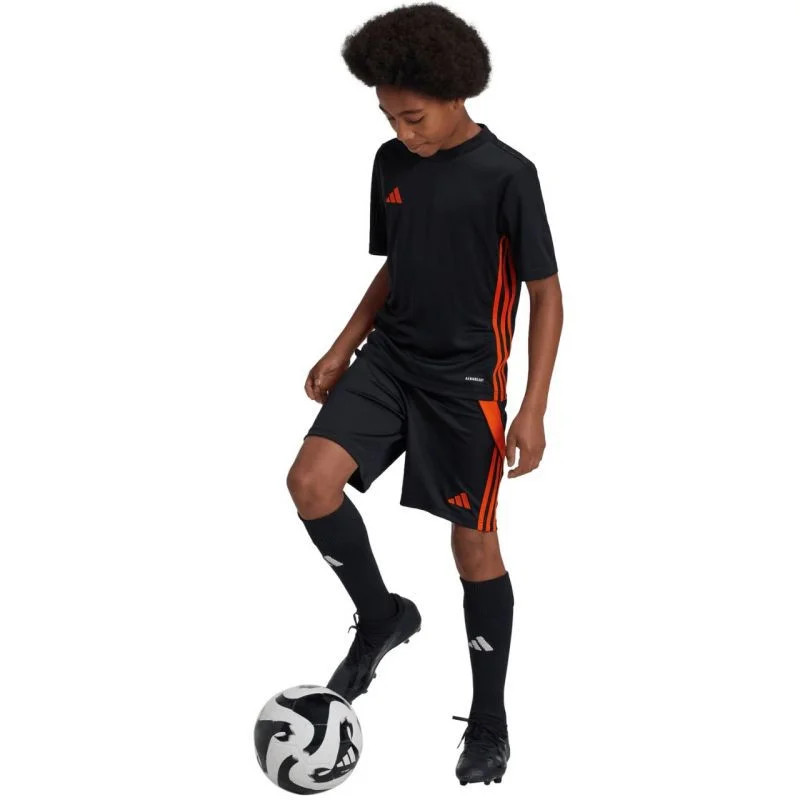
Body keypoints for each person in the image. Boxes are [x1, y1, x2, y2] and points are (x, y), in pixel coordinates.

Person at [286, 2, 563, 786]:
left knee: (472, 546)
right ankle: (382, 618)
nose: (403, 133)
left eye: (414, 118)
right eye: (389, 118)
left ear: (456, 93)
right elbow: (396, 264)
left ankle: (489, 719)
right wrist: (342, 345)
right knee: (309, 483)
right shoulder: (391, 163)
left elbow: (547, 294)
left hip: (466, 383)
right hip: (390, 361)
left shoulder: (508, 175)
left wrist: (534, 406)